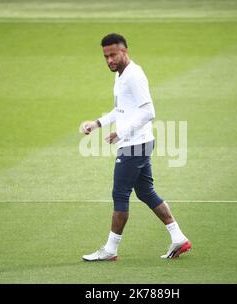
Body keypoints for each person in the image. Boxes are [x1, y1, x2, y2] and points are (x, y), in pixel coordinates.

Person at [82, 33, 191, 261]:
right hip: (137, 143)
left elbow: (149, 111)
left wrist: (120, 133)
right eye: (105, 56)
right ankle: (178, 237)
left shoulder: (134, 76)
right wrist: (98, 123)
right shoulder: (120, 75)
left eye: (113, 54)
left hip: (135, 145)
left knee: (120, 195)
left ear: (124, 51)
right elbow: (121, 109)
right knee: (145, 192)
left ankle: (110, 250)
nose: (109, 60)